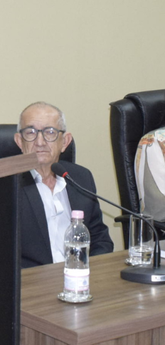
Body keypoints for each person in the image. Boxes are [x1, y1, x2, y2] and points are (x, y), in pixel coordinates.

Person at [14, 101, 113, 268]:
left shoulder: (81, 178)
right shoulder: (7, 188)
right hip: (33, 280)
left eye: (50, 132)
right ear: (19, 141)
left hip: (79, 276)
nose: (40, 141)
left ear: (65, 142)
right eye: (31, 132)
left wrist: (89, 272)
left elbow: (99, 239)